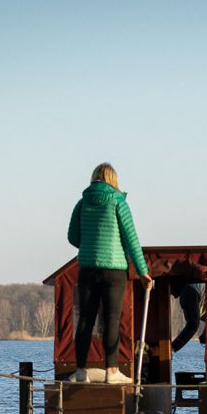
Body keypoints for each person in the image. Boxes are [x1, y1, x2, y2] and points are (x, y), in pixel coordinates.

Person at [68, 162, 153, 384]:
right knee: (112, 319)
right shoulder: (119, 203)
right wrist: (143, 272)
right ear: (113, 180)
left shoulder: (82, 203)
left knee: (86, 319)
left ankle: (80, 371)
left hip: (87, 268)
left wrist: (89, 244)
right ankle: (112, 371)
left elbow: (72, 237)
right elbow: (131, 239)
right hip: (114, 269)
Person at [170, 279, 205, 352]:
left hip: (190, 290)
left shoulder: (187, 292)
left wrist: (172, 348)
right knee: (194, 325)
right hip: (192, 290)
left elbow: (193, 324)